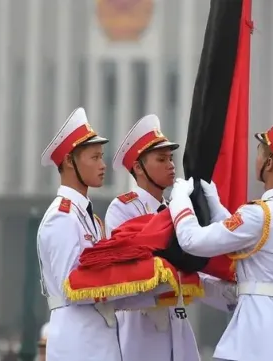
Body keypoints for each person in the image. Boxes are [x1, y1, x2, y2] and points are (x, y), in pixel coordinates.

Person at [168, 106, 273, 361]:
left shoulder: (260, 214)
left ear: (269, 163)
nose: (256, 159)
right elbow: (246, 242)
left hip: (255, 341)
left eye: (259, 153)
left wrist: (179, 201)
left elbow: (191, 240)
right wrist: (217, 205)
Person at [38, 108, 172, 361]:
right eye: (95, 157)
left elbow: (102, 288)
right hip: (76, 339)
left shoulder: (90, 218)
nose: (102, 165)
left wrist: (153, 288)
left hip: (100, 337)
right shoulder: (61, 217)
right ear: (69, 161)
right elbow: (72, 287)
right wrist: (133, 276)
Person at [105, 114, 237, 361]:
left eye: (171, 158)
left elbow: (192, 268)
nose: (171, 165)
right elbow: (132, 269)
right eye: (161, 159)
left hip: (176, 320)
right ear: (138, 167)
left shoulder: (175, 211)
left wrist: (228, 293)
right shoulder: (122, 208)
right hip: (140, 328)